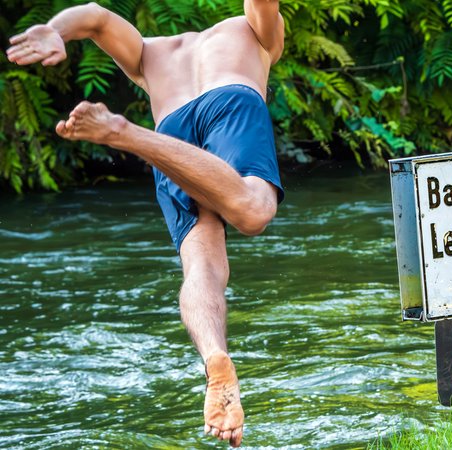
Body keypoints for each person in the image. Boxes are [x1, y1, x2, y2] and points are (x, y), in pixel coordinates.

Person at [6, 1, 285, 446]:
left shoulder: (148, 55)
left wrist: (55, 30)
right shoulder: (253, 33)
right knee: (253, 211)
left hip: (169, 132)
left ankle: (215, 355)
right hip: (231, 98)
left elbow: (96, 16)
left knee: (201, 266)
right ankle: (125, 133)